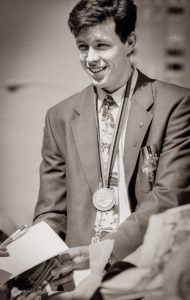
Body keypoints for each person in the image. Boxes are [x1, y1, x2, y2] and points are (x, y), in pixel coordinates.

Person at [32, 0, 190, 287]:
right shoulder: (59, 116)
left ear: (129, 42)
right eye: (82, 47)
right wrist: (29, 258)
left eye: (101, 45)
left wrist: (102, 253)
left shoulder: (176, 104)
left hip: (143, 271)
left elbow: (169, 196)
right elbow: (52, 211)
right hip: (76, 278)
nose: (90, 58)